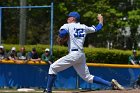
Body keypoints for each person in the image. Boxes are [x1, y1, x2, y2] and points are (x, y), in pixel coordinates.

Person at [43, 12, 124, 93]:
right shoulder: (83, 27)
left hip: (73, 54)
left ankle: (48, 91)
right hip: (81, 55)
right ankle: (111, 84)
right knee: (87, 77)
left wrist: (61, 36)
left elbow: (63, 33)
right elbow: (97, 28)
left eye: (69, 17)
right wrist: (101, 21)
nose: (67, 19)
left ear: (73, 18)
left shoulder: (67, 25)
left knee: (52, 68)